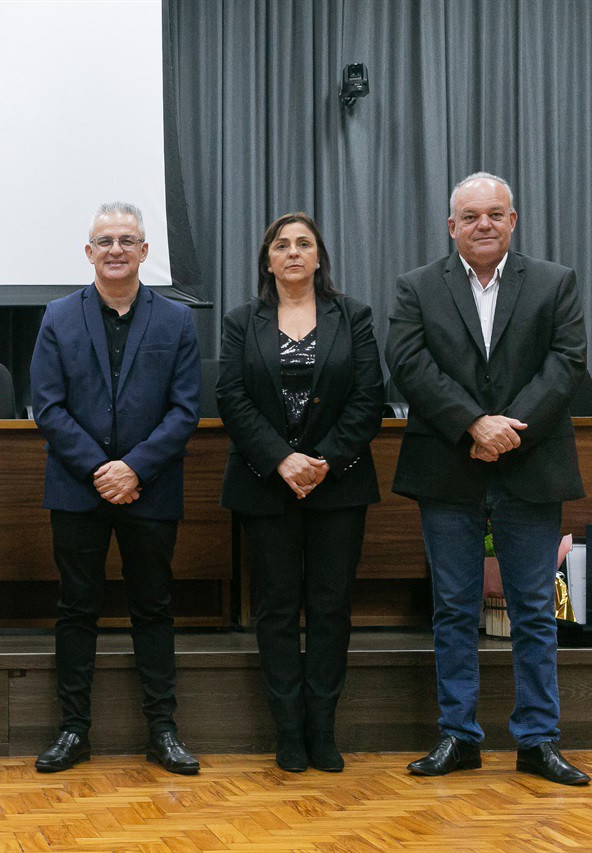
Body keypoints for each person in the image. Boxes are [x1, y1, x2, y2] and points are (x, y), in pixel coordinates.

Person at [387, 172, 590, 785]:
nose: (483, 224)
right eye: (470, 215)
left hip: (531, 464)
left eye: (494, 214)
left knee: (532, 608)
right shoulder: (417, 287)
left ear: (513, 220)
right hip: (448, 464)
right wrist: (474, 423)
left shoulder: (556, 282)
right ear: (451, 226)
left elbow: (567, 361)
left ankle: (537, 739)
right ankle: (459, 736)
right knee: (453, 607)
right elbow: (407, 362)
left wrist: (508, 429)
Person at [29, 202, 201, 775]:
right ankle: (73, 730)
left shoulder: (176, 321)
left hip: (149, 491)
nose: (116, 250)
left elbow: (185, 410)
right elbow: (47, 407)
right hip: (78, 491)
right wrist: (102, 469)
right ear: (88, 252)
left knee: (153, 608)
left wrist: (134, 469)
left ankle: (164, 730)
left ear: (146, 251)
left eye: (128, 240)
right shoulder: (57, 316)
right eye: (104, 241)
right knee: (76, 609)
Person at [216, 212, 384, 773]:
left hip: (338, 486)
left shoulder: (352, 316)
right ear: (268, 260)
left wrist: (325, 461)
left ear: (318, 257)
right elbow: (232, 397)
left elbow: (368, 398)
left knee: (332, 608)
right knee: (277, 609)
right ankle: (288, 731)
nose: (292, 252)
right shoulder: (242, 321)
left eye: (303, 244)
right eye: (282, 245)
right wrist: (282, 458)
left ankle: (323, 729)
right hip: (267, 485)